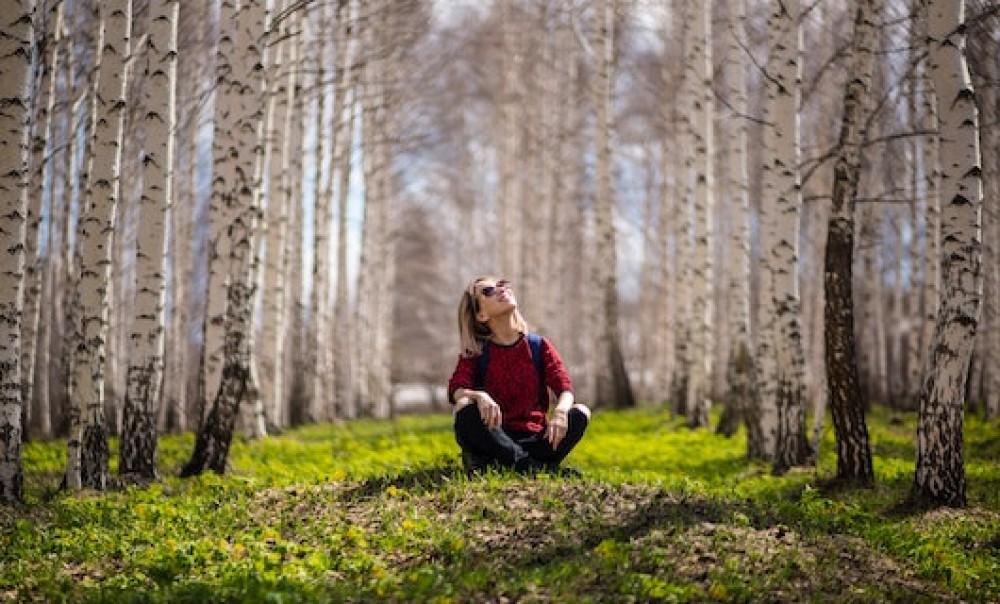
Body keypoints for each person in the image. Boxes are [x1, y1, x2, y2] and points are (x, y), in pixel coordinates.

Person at [447, 275, 591, 475]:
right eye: (488, 291)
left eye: (502, 285)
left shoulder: (538, 346)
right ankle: (538, 469)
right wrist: (479, 396)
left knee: (580, 412)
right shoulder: (476, 352)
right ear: (481, 315)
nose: (500, 290)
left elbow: (564, 388)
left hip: (536, 439)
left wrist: (559, 412)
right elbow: (456, 390)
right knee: (464, 407)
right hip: (494, 437)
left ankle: (520, 465)